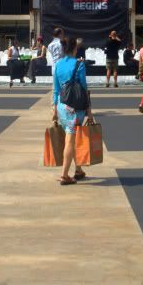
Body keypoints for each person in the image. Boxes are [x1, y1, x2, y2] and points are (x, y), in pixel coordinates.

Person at [51, 36, 95, 186]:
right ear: (75, 49)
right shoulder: (79, 64)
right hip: (77, 107)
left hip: (62, 106)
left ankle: (78, 170)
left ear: (63, 49)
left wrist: (54, 109)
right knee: (70, 139)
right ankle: (64, 175)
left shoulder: (58, 65)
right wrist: (89, 110)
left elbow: (56, 90)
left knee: (72, 137)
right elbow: (84, 88)